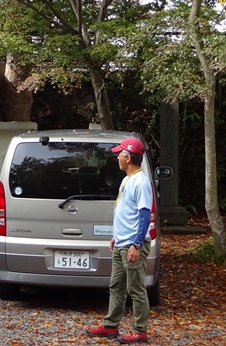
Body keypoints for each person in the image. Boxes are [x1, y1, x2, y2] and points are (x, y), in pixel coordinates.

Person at [86, 137, 154, 345]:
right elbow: (126, 212)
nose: (117, 157)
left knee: (136, 289)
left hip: (132, 244)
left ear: (128, 157)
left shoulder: (141, 182)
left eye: (120, 154)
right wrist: (116, 235)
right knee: (116, 286)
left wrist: (136, 244)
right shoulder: (127, 180)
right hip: (122, 243)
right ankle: (110, 325)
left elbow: (144, 215)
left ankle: (139, 330)